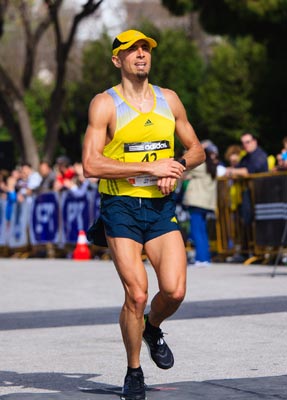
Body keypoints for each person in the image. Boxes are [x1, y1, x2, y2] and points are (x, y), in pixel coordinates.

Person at [82, 29, 205, 400]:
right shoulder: (105, 104)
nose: (140, 54)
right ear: (117, 60)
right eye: (131, 50)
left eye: (145, 48)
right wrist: (147, 170)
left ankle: (153, 326)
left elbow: (196, 149)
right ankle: (134, 370)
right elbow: (90, 164)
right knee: (136, 294)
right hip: (120, 207)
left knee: (175, 290)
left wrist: (176, 167)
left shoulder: (169, 100)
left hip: (159, 207)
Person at [182, 145, 219, 266]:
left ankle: (201, 258)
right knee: (202, 231)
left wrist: (189, 151)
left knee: (197, 231)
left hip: (197, 202)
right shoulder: (212, 167)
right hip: (206, 204)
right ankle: (205, 257)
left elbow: (186, 163)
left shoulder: (201, 166)